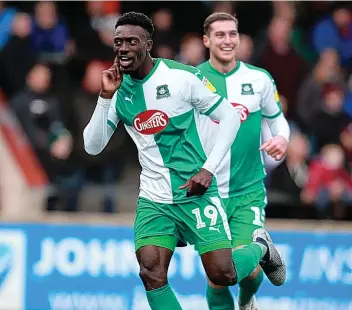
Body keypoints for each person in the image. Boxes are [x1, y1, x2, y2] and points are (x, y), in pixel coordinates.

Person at [83, 12, 285, 310]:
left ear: (148, 44)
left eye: (131, 42)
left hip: (195, 191)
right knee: (150, 271)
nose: (123, 48)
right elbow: (92, 146)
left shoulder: (181, 77)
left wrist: (208, 169)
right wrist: (104, 97)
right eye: (118, 42)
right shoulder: (117, 89)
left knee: (223, 274)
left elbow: (229, 116)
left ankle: (260, 247)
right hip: (155, 198)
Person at [196, 12, 290, 310]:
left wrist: (282, 139)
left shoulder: (259, 79)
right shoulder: (190, 79)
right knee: (217, 276)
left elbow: (279, 122)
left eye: (232, 34)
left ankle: (248, 298)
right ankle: (262, 248)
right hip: (207, 193)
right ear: (206, 40)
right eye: (220, 34)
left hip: (247, 189)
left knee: (246, 271)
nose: (227, 40)